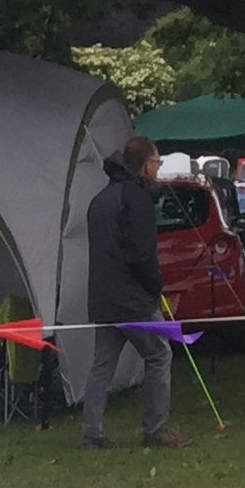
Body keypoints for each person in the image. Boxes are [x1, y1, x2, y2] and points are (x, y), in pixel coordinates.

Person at [80, 134, 183, 452]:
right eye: (158, 163)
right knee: (159, 354)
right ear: (146, 166)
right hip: (132, 297)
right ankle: (155, 429)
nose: (159, 169)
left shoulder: (100, 199)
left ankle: (92, 433)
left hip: (102, 296)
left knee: (102, 365)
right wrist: (156, 289)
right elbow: (141, 253)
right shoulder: (135, 198)